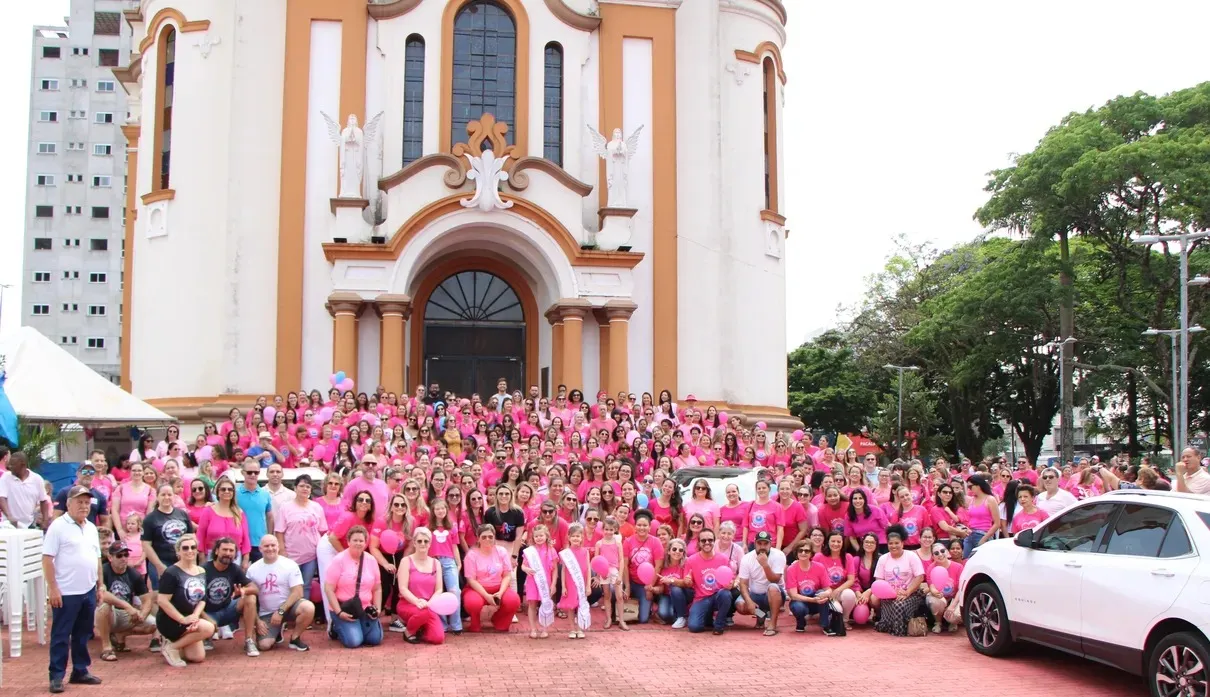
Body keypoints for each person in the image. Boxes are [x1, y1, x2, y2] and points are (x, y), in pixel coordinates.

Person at [42, 486, 104, 693]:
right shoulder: (58, 527)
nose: (84, 506)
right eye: (80, 502)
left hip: (87, 589)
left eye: (87, 502)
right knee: (61, 634)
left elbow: (96, 557)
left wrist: (99, 585)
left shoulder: (91, 527)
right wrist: (53, 589)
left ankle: (80, 670)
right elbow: (47, 559)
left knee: (83, 633)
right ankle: (56, 675)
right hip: (66, 591)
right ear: (68, 504)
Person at [155, 534, 216, 667]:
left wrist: (194, 616)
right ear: (178, 552)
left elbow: (202, 599)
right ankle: (171, 648)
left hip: (190, 619)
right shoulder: (171, 573)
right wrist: (182, 620)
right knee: (208, 628)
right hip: (171, 621)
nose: (190, 551)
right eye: (185, 548)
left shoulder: (201, 571)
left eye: (193, 547)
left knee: (197, 657)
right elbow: (162, 601)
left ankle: (173, 644)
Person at [246, 534, 315, 652]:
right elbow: (249, 600)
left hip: (288, 608)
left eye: (273, 545)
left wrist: (280, 611)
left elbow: (298, 592)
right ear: (260, 548)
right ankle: (276, 631)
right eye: (266, 546)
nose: (270, 548)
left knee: (308, 607)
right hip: (266, 613)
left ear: (278, 547)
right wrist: (257, 621)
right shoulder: (252, 569)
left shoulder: (290, 565)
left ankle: (295, 638)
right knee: (264, 645)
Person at [324, 525, 384, 648]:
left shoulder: (372, 560)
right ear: (348, 542)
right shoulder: (338, 560)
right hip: (344, 608)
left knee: (375, 639)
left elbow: (377, 588)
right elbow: (328, 589)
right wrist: (339, 612)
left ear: (365, 543)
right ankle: (335, 626)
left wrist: (377, 609)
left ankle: (361, 626)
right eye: (355, 540)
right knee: (354, 641)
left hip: (365, 607)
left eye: (361, 540)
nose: (358, 543)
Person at [96, 541, 156, 662]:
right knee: (105, 606)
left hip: (125, 615)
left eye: (125, 555)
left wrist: (142, 614)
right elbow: (102, 594)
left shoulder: (134, 574)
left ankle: (120, 635)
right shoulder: (104, 571)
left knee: (152, 624)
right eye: (119, 555)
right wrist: (128, 606)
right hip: (105, 614)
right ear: (110, 557)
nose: (123, 558)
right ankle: (106, 647)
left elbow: (147, 599)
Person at [202, 537, 261, 656]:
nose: (228, 553)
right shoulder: (203, 569)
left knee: (250, 597)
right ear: (216, 551)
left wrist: (243, 590)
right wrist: (206, 619)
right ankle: (205, 637)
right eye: (224, 550)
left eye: (231, 551)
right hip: (207, 614)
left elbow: (255, 589)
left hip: (228, 609)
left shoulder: (234, 568)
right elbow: (194, 601)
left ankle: (249, 641)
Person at [273, 474, 327, 596]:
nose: (305, 489)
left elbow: (322, 531)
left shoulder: (316, 507)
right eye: (301, 486)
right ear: (295, 488)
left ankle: (305, 612)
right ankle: (288, 613)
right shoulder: (285, 507)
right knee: (291, 586)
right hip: (291, 555)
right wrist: (282, 551)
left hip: (311, 555)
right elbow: (279, 531)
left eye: (308, 486)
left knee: (306, 585)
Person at [462, 524, 522, 632]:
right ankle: (475, 622)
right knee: (473, 603)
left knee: (514, 601)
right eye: (484, 537)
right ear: (478, 538)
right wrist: (486, 595)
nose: (487, 539)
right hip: (477, 589)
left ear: (494, 537)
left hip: (499, 587)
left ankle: (498, 619)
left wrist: (500, 592)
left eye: (490, 536)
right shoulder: (471, 555)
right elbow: (471, 580)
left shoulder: (502, 551)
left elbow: (507, 575)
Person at [395, 527, 446, 644]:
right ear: (414, 543)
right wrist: (417, 601)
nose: (422, 544)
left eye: (426, 541)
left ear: (430, 543)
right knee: (422, 613)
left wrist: (430, 603)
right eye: (419, 541)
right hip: (408, 604)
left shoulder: (436, 563)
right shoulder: (406, 561)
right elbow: (402, 588)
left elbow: (439, 589)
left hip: (428, 606)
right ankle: (409, 632)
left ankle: (420, 628)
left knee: (438, 638)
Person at [679, 528, 733, 635]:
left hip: (718, 595)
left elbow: (729, 580)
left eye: (710, 540)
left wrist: (729, 585)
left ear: (714, 541)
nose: (707, 543)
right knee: (694, 627)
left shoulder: (723, 559)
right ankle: (708, 618)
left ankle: (719, 625)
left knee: (726, 594)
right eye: (703, 540)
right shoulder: (691, 560)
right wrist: (688, 582)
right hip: (701, 598)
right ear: (699, 542)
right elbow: (687, 582)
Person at [734, 530, 786, 636]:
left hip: (775, 594)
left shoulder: (778, 555)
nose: (762, 546)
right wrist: (749, 602)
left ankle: (772, 624)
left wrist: (765, 565)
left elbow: (775, 580)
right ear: (755, 543)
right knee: (740, 605)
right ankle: (761, 614)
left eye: (765, 543)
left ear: (770, 544)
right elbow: (743, 583)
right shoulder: (747, 558)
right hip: (755, 595)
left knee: (772, 587)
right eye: (759, 543)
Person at [784, 538, 835, 635]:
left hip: (817, 600)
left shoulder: (819, 567)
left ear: (811, 553)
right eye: (800, 550)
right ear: (796, 553)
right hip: (801, 602)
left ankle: (825, 625)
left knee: (822, 594)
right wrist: (814, 600)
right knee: (797, 607)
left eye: (806, 551)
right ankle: (800, 622)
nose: (803, 553)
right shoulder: (791, 569)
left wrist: (826, 594)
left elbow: (828, 589)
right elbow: (793, 595)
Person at [236, 458, 275, 565]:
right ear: (242, 473)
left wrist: (269, 536)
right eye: (249, 472)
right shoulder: (234, 494)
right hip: (239, 542)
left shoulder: (265, 494)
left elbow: (270, 516)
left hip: (259, 544)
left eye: (256, 472)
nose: (253, 475)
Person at [0, 451, 52, 529]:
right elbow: (2, 498)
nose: (9, 466)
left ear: (23, 465)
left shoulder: (37, 479)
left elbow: (43, 501)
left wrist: (45, 521)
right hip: (9, 524)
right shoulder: (6, 477)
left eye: (13, 464)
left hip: (29, 524)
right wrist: (9, 516)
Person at [53, 462, 109, 528]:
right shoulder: (65, 492)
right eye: (84, 471)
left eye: (91, 472)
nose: (88, 474)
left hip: (88, 533)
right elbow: (56, 516)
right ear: (77, 473)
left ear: (94, 475)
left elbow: (104, 522)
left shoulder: (100, 496)